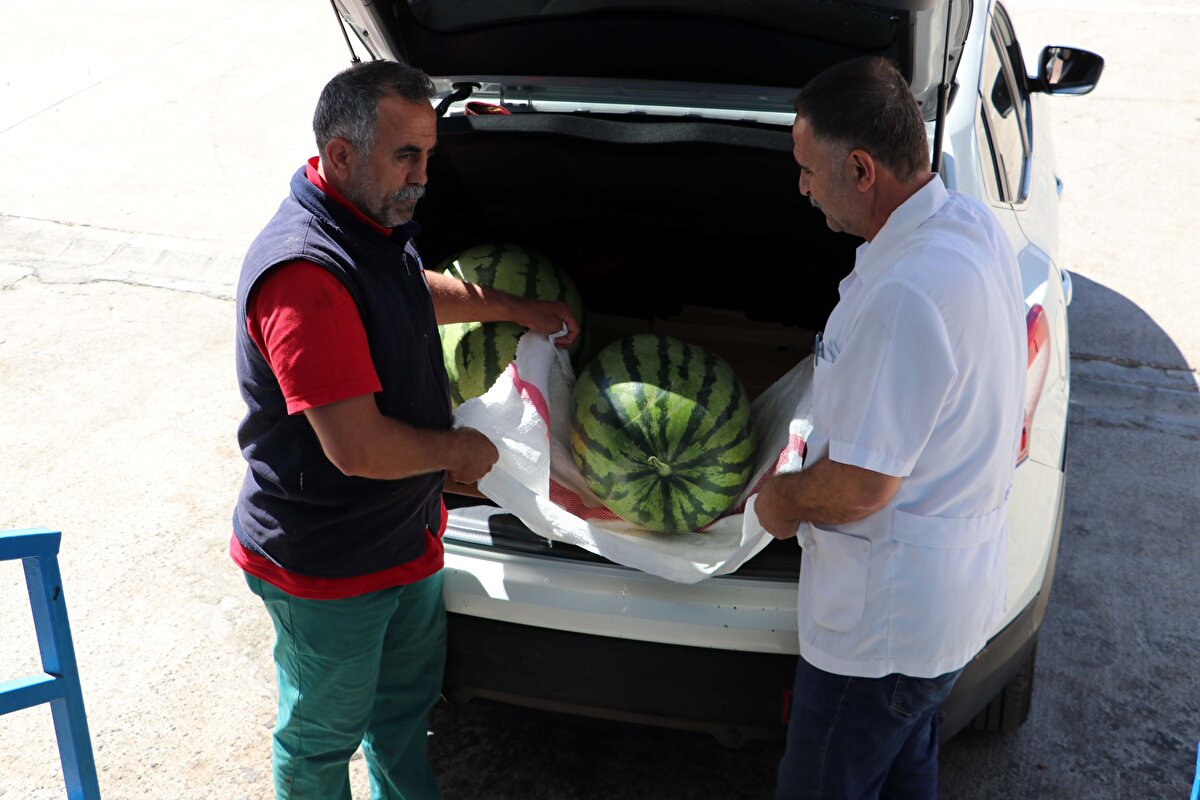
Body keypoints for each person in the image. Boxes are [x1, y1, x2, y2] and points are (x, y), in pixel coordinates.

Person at [230, 60, 579, 799]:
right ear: (342, 154)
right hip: (327, 563)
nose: (424, 176)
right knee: (321, 739)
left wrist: (511, 306)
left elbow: (405, 291)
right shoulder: (302, 278)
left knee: (401, 716)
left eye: (428, 153)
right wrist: (464, 452)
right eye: (405, 156)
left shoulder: (365, 223)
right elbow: (358, 448)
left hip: (404, 538)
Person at [754, 57, 1027, 799]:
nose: (802, 188)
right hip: (943, 612)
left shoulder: (906, 292)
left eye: (808, 170)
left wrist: (776, 503)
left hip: (882, 635)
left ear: (863, 168)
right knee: (907, 779)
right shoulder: (966, 223)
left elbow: (864, 484)